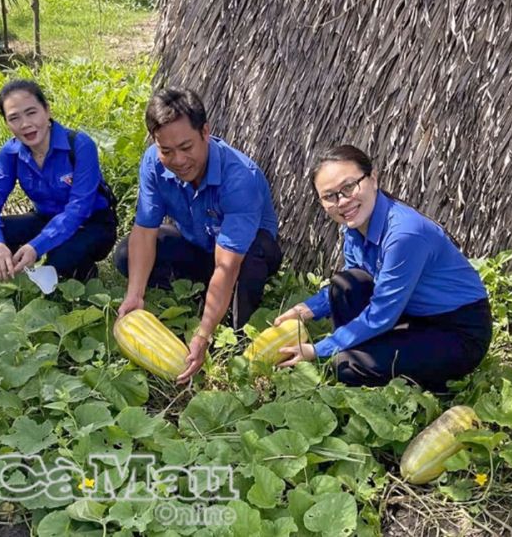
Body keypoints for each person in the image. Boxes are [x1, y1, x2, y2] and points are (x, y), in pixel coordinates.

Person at [272, 144, 492, 391]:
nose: (342, 201)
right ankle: (375, 354)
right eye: (330, 196)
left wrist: (318, 349)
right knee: (345, 284)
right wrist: (308, 309)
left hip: (457, 331)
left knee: (345, 365)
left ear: (373, 179)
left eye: (348, 187)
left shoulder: (404, 235)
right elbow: (357, 282)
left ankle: (430, 383)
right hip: (410, 316)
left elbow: (381, 314)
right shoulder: (354, 228)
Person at [114, 87, 282, 383]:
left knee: (248, 262)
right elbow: (144, 230)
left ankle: (237, 332)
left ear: (205, 132)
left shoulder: (241, 178)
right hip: (199, 246)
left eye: (186, 147)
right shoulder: (153, 163)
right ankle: (205, 296)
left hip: (245, 255)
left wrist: (204, 334)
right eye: (166, 150)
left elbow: (227, 265)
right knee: (127, 254)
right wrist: (134, 295)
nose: (178, 160)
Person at [0, 80, 117, 281]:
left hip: (90, 223)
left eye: (31, 113)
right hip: (45, 218)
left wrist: (36, 246)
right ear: (6, 123)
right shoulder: (11, 152)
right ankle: (18, 269)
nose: (25, 124)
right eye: (14, 118)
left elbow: (78, 209)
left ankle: (83, 273)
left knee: (61, 258)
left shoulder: (80, 145)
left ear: (47, 111)